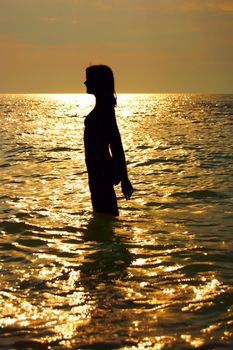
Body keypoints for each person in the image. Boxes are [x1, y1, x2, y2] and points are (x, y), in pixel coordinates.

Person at [84, 64, 133, 216]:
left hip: (101, 174)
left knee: (106, 214)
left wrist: (124, 178)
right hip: (97, 174)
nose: (85, 83)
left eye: (88, 79)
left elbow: (116, 144)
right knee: (103, 216)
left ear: (98, 82)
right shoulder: (103, 108)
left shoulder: (104, 111)